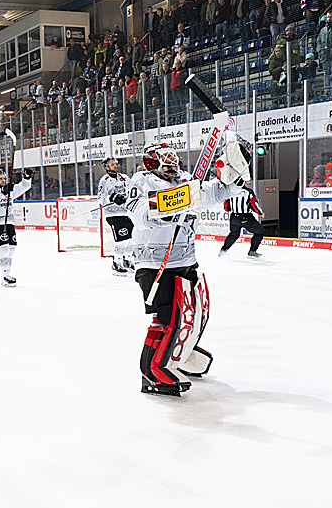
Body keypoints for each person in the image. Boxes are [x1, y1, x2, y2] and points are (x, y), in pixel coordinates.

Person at [123, 141, 248, 397]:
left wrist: (235, 176)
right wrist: (181, 201)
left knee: (195, 314)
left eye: (173, 156)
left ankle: (181, 353)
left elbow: (214, 192)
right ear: (151, 162)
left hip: (186, 260)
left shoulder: (186, 180)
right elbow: (142, 216)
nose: (171, 162)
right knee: (170, 318)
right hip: (156, 264)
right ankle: (152, 370)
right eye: (164, 158)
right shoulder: (142, 181)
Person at [0, 167, 32, 287]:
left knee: (11, 249)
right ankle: (4, 276)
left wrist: (27, 178)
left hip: (9, 222)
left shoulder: (9, 189)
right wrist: (4, 191)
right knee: (4, 249)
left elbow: (23, 187)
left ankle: (7, 273)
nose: (3, 180)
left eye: (4, 178)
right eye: (0, 178)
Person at [97, 157, 134, 275]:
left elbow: (131, 191)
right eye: (112, 164)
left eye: (115, 164)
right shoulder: (104, 180)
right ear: (107, 167)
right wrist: (112, 198)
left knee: (131, 238)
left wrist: (126, 198)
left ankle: (128, 260)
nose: (115, 166)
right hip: (113, 214)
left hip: (126, 213)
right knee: (121, 240)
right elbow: (100, 198)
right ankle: (116, 263)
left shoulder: (124, 178)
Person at [219, 188, 265, 259]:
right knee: (260, 231)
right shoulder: (248, 192)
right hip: (245, 217)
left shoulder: (230, 190)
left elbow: (227, 206)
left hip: (234, 217)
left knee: (234, 234)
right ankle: (252, 251)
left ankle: (223, 250)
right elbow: (253, 204)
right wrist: (260, 212)